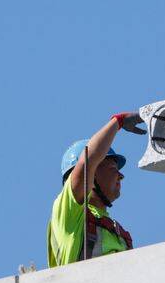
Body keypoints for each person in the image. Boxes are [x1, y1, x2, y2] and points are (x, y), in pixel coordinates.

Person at [48, 110, 146, 267]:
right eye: (113, 168)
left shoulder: (116, 230)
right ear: (92, 174)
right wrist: (118, 122)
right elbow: (88, 161)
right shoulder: (69, 215)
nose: (121, 176)